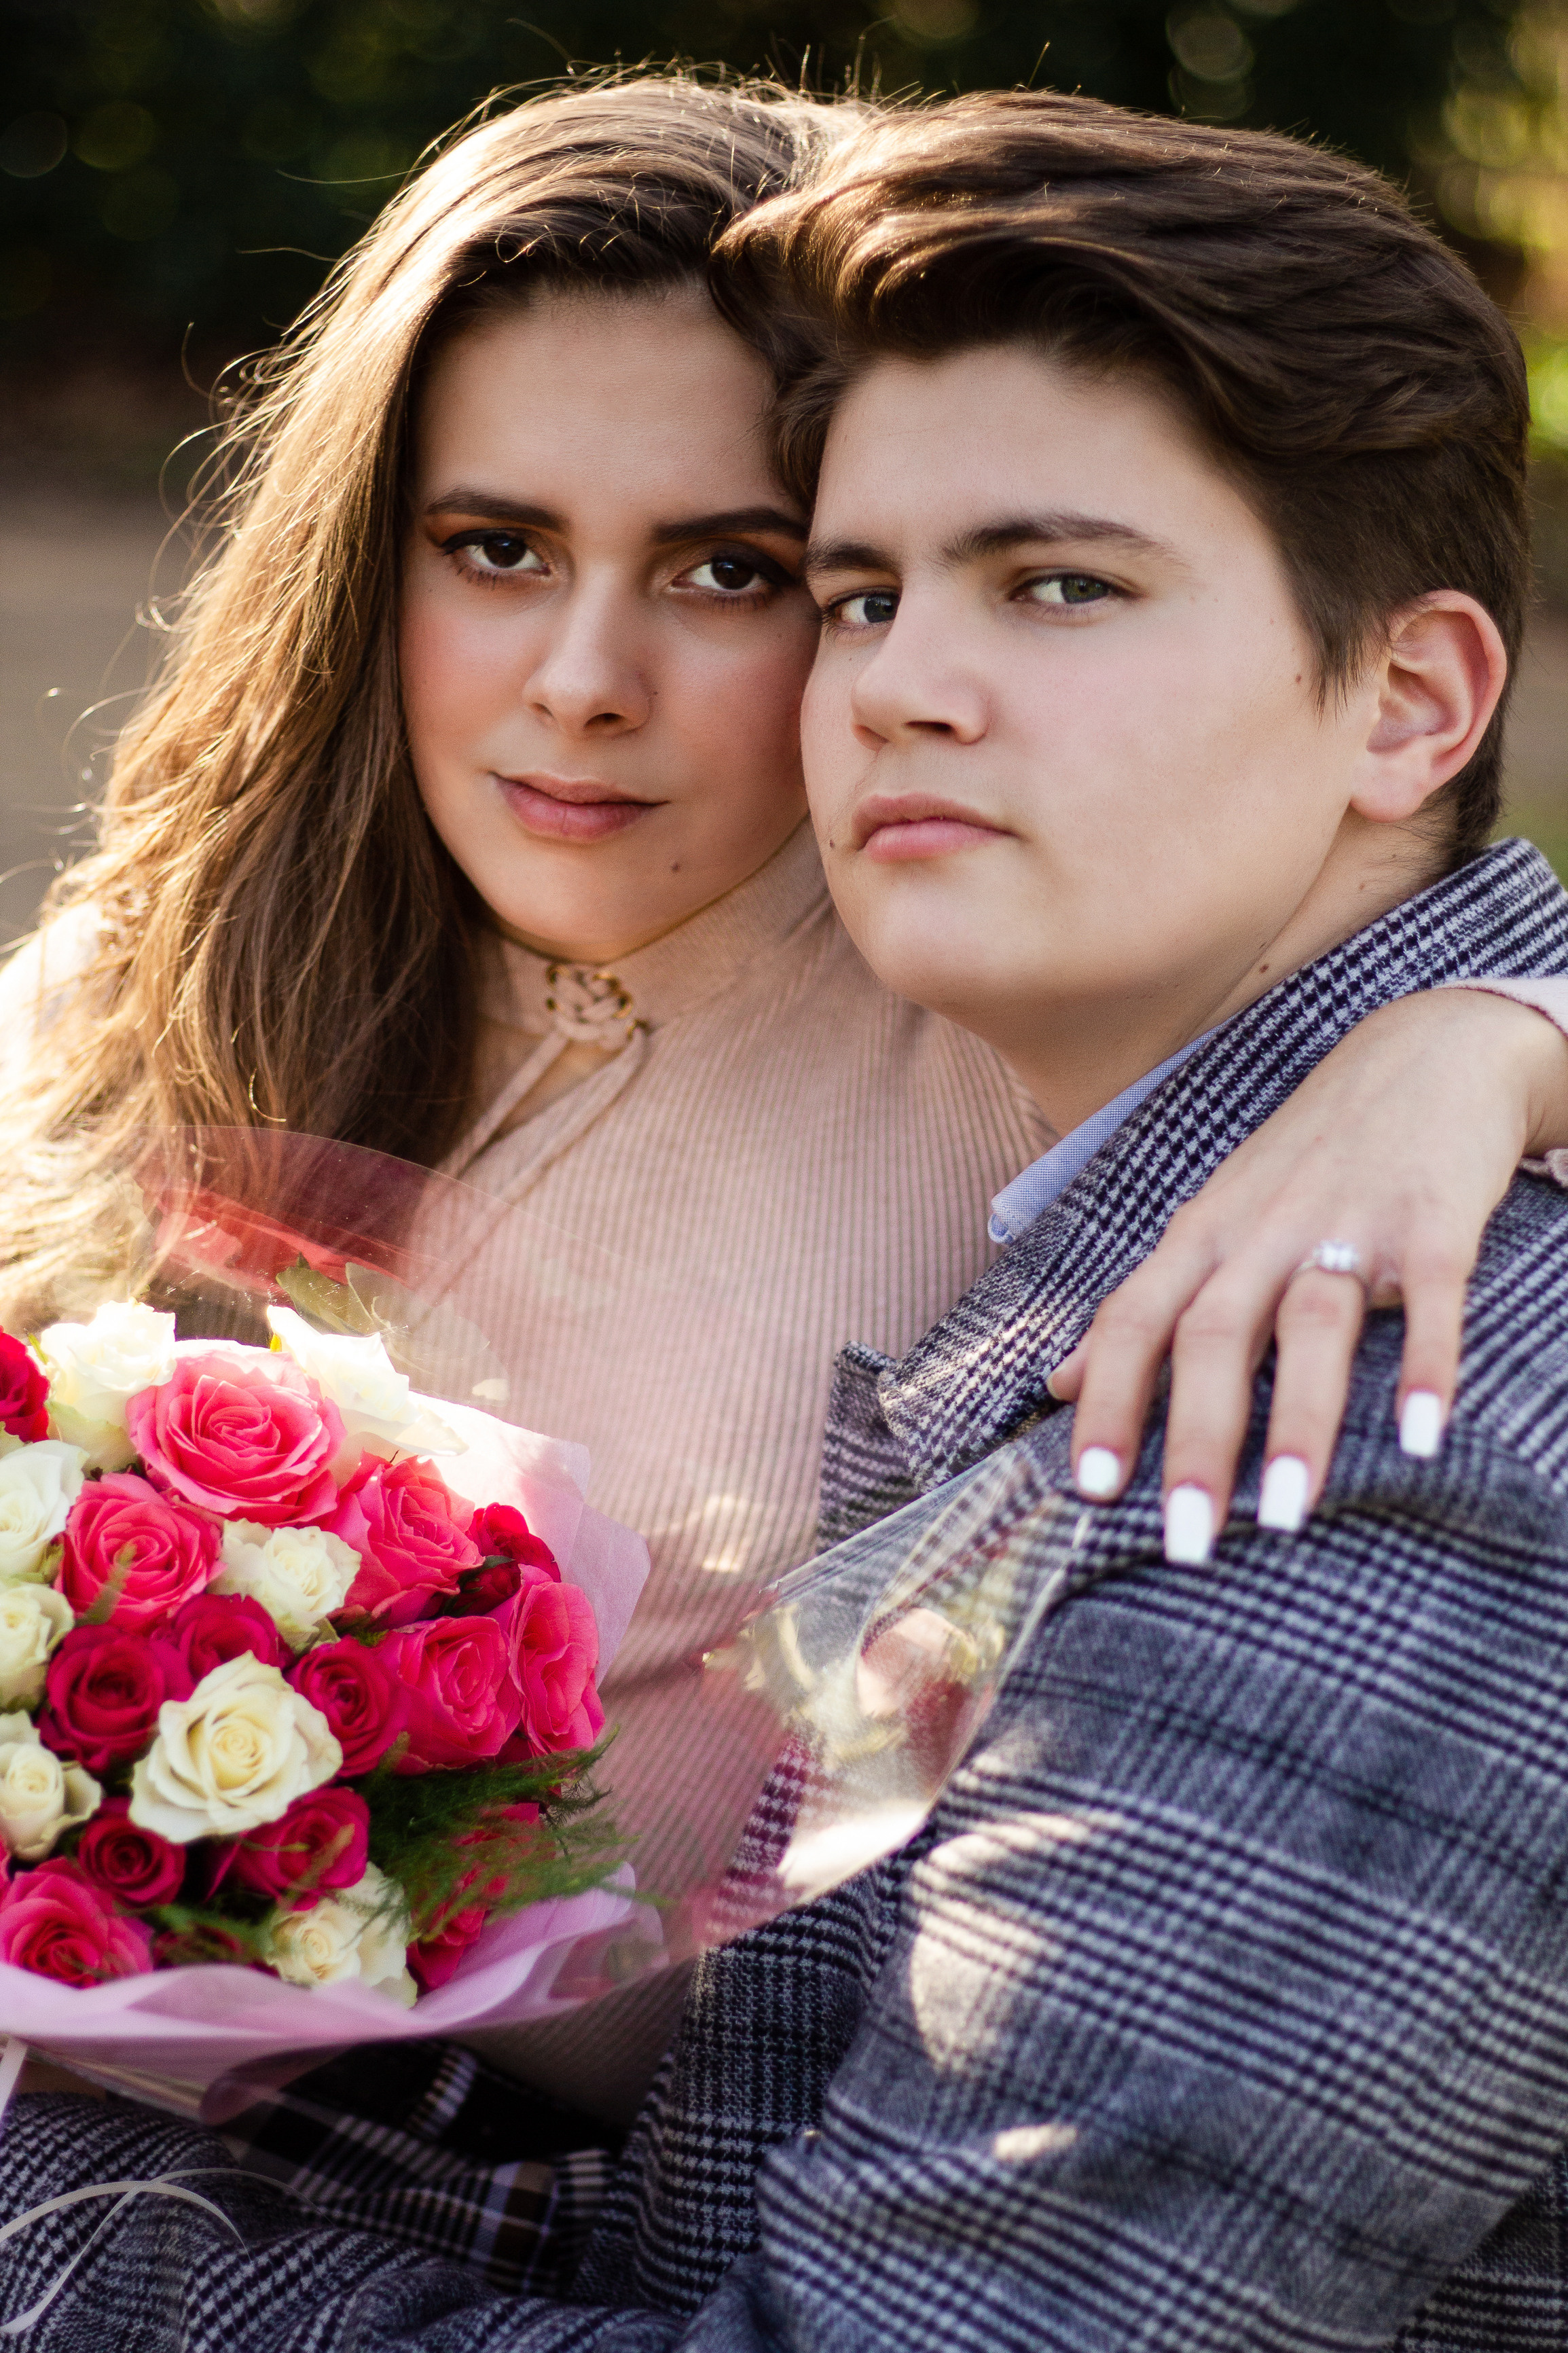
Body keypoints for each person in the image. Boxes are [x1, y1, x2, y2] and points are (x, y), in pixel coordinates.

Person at [9, 86, 1568, 2352]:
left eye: (739, 570)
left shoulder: (1188, 1211)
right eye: (492, 543)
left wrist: (1499, 1030)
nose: (587, 680)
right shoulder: (183, 965)